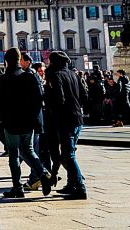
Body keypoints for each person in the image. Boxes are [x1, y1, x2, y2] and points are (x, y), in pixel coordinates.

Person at [0, 49, 52, 199]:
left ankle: (18, 188)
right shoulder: (30, 77)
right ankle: (43, 174)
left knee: (14, 155)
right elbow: (38, 100)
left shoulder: (3, 79)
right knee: (30, 151)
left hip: (11, 123)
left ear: (6, 61)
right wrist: (36, 122)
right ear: (19, 60)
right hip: (28, 122)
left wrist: (0, 118)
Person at [45, 51, 87, 200]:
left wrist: (50, 107)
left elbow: (59, 98)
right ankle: (71, 184)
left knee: (69, 155)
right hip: (77, 118)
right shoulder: (73, 74)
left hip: (65, 120)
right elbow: (84, 95)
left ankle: (80, 188)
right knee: (69, 153)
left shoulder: (56, 75)